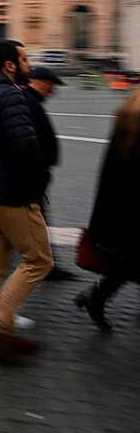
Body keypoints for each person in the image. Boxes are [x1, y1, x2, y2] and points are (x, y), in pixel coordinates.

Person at [0, 40, 51, 362]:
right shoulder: (12, 95)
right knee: (39, 260)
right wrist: (37, 182)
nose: (28, 64)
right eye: (25, 58)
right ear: (10, 65)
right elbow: (26, 145)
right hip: (11, 194)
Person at [74, 88, 140, 332]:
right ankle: (95, 298)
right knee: (129, 263)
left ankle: (95, 297)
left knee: (128, 263)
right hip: (132, 210)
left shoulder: (127, 113)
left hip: (117, 207)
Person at [24, 66, 75, 282]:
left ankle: (46, 262)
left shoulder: (31, 101)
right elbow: (29, 141)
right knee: (36, 221)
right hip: (31, 176)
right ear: (40, 82)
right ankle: (45, 265)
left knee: (35, 220)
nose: (52, 91)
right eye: (51, 85)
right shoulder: (29, 102)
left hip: (34, 174)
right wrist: (39, 168)